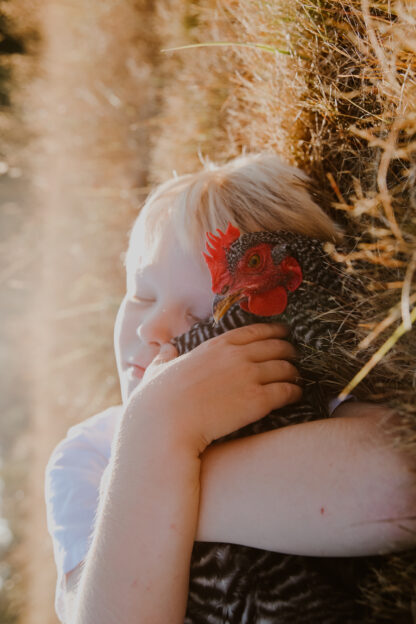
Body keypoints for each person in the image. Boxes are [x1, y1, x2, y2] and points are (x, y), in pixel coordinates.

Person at [45, 153, 416, 624]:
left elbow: (401, 485)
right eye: (141, 296)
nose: (150, 328)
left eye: (200, 319)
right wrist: (149, 432)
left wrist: (156, 472)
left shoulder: (307, 399)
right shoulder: (89, 455)